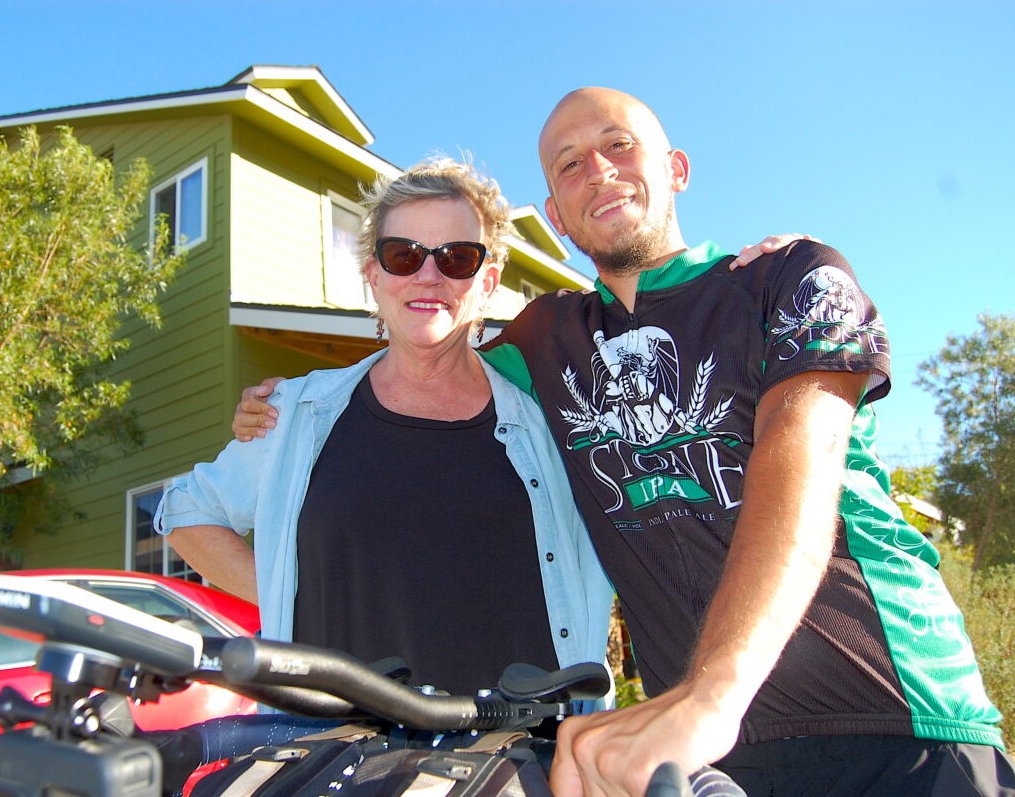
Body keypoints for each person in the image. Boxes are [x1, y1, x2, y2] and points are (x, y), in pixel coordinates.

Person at [233, 88, 1014, 797]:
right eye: (569, 164)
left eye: (618, 146)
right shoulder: (545, 342)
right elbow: (429, 351)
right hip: (700, 758)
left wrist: (713, 694)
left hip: (892, 719)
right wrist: (289, 404)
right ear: (556, 214)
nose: (598, 172)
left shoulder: (789, 278)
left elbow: (797, 466)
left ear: (675, 169)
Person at [155, 158, 615, 704]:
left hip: (527, 743)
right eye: (404, 255)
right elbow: (187, 513)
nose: (428, 276)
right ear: (373, 275)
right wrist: (286, 595)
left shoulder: (552, 420)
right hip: (342, 743)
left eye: (457, 258)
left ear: (487, 282)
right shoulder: (298, 413)